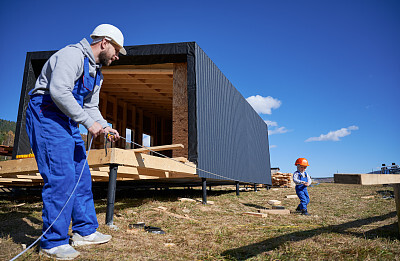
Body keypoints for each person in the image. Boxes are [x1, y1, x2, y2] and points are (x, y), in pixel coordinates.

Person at [25, 24, 125, 260]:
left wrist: (106, 126)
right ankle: (53, 242)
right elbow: (59, 91)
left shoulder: (96, 73)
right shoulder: (72, 55)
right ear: (104, 42)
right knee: (62, 176)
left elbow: (90, 107)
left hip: (67, 119)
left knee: (81, 175)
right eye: (116, 50)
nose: (117, 56)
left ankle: (85, 231)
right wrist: (88, 124)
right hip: (47, 114)